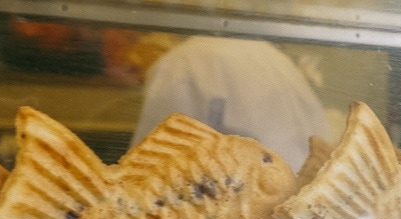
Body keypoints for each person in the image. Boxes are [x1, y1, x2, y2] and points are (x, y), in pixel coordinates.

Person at [130, 35, 329, 172]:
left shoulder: (183, 61)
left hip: (248, 211)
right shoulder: (273, 56)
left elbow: (149, 166)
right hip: (294, 208)